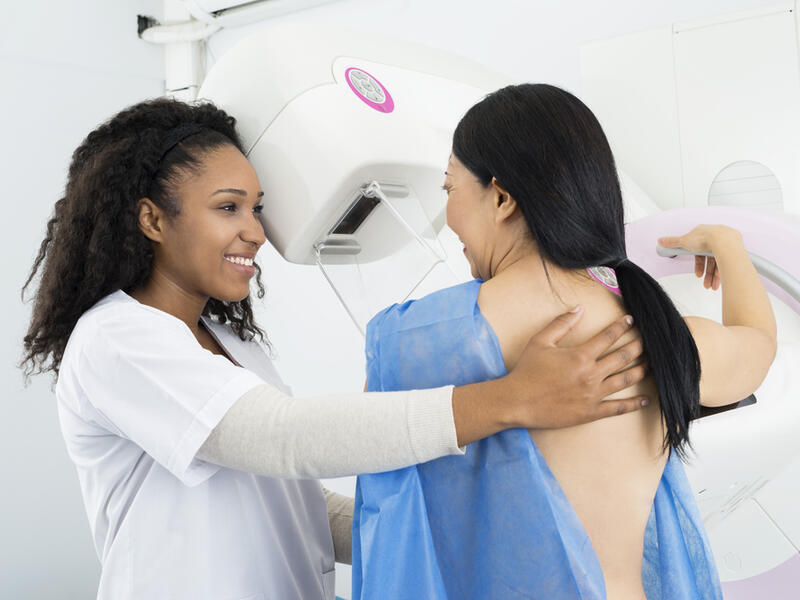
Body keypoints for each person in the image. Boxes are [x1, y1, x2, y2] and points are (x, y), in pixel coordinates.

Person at [20, 97, 649, 600]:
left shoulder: (231, 341)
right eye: (228, 207)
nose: (256, 232)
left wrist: (452, 532)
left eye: (257, 208)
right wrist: (512, 399)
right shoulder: (116, 338)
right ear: (153, 219)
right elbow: (281, 438)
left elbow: (294, 504)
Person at [351, 84, 777, 600]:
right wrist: (727, 245)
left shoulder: (420, 340)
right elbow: (756, 346)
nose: (449, 219)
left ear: (502, 197)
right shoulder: (652, 328)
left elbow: (379, 474)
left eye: (449, 189)